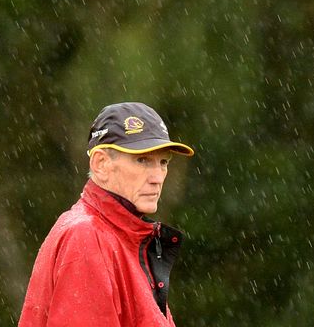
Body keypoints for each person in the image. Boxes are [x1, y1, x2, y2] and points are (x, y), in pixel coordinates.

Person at [18, 102, 194, 327]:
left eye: (163, 162)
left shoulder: (121, 236)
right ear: (101, 163)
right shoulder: (87, 236)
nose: (157, 177)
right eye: (142, 160)